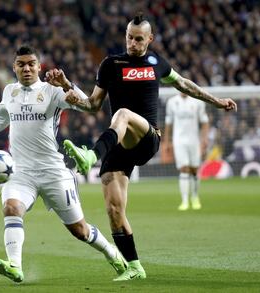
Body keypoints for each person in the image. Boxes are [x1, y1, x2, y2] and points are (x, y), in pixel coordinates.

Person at [45, 13, 237, 281]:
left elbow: (184, 84)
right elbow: (92, 105)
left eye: (138, 39)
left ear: (150, 38)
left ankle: (90, 156)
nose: (132, 43)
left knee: (122, 112)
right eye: (129, 37)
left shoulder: (156, 62)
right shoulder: (111, 64)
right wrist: (66, 85)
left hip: (147, 137)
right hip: (118, 144)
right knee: (114, 211)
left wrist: (216, 101)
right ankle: (135, 266)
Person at [0, 44, 127, 283]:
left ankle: (112, 252)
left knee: (80, 231)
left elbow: (89, 105)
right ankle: (15, 265)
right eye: (21, 64)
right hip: (21, 173)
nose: (26, 68)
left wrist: (66, 84)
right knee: (12, 208)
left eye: (31, 64)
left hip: (54, 172)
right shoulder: (9, 92)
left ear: (39, 67)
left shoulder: (51, 90)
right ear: (14, 67)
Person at [164, 92, 209, 211]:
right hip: (179, 141)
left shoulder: (198, 101)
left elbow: (204, 121)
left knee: (194, 170)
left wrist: (204, 139)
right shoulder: (172, 102)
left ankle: (195, 197)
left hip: (194, 140)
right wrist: (167, 141)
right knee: (184, 169)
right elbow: (168, 123)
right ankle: (184, 200)